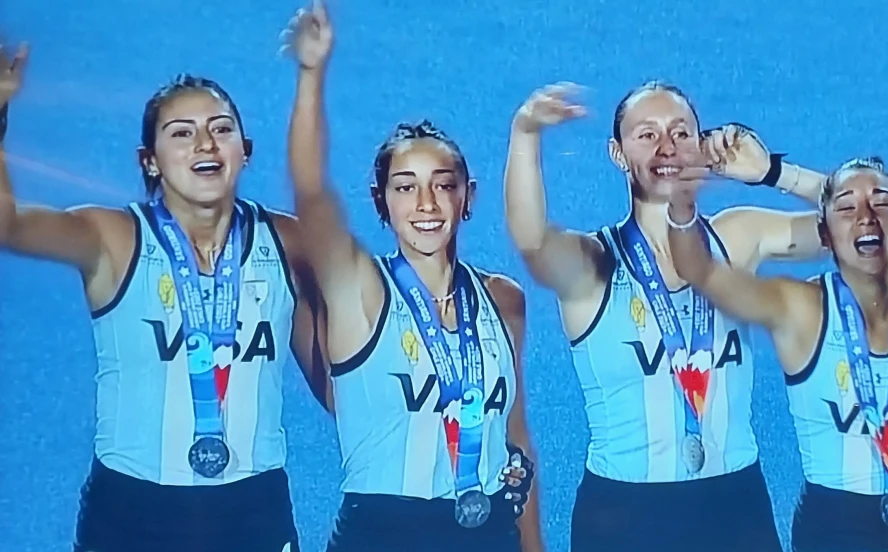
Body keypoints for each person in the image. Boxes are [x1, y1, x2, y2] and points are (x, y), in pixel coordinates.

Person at [0, 44, 328, 552]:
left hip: (254, 512)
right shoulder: (111, 238)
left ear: (246, 149)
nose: (205, 144)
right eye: (182, 133)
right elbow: (9, 227)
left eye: (221, 129)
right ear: (148, 161)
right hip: (133, 517)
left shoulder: (289, 243)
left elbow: (340, 380)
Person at [504, 80, 826, 551]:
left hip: (736, 510)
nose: (667, 147)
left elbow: (859, 226)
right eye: (647, 135)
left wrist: (772, 172)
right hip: (626, 519)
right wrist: (525, 135)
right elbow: (531, 240)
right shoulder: (594, 263)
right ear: (617, 153)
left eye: (680, 133)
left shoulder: (736, 239)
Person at [280, 4, 542, 551]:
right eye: (405, 187)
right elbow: (311, 192)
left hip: (488, 533)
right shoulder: (360, 290)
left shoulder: (503, 301)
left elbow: (515, 437)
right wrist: (311, 75)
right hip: (382, 537)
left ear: (467, 196)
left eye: (443, 184)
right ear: (382, 203)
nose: (426, 203)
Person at [664, 147, 888, 551]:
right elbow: (701, 272)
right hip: (835, 532)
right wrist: (681, 206)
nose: (867, 217)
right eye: (847, 208)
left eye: (882, 203)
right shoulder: (798, 309)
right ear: (825, 237)